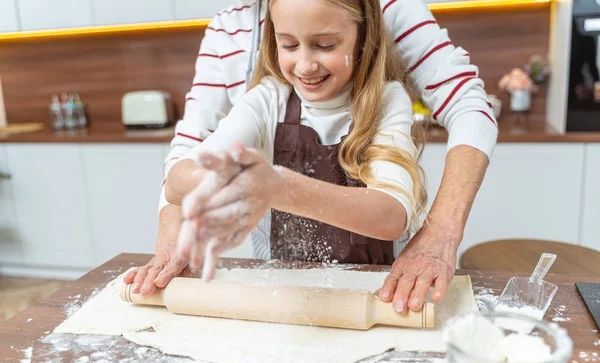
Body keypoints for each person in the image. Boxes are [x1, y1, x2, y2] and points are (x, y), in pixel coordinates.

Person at [124, 0, 498, 315]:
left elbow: (391, 216)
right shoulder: (263, 93)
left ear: (364, 38)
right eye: (288, 44)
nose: (304, 65)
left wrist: (275, 187)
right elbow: (186, 159)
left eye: (324, 45)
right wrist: (202, 208)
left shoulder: (387, 100)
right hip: (282, 288)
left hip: (377, 291)